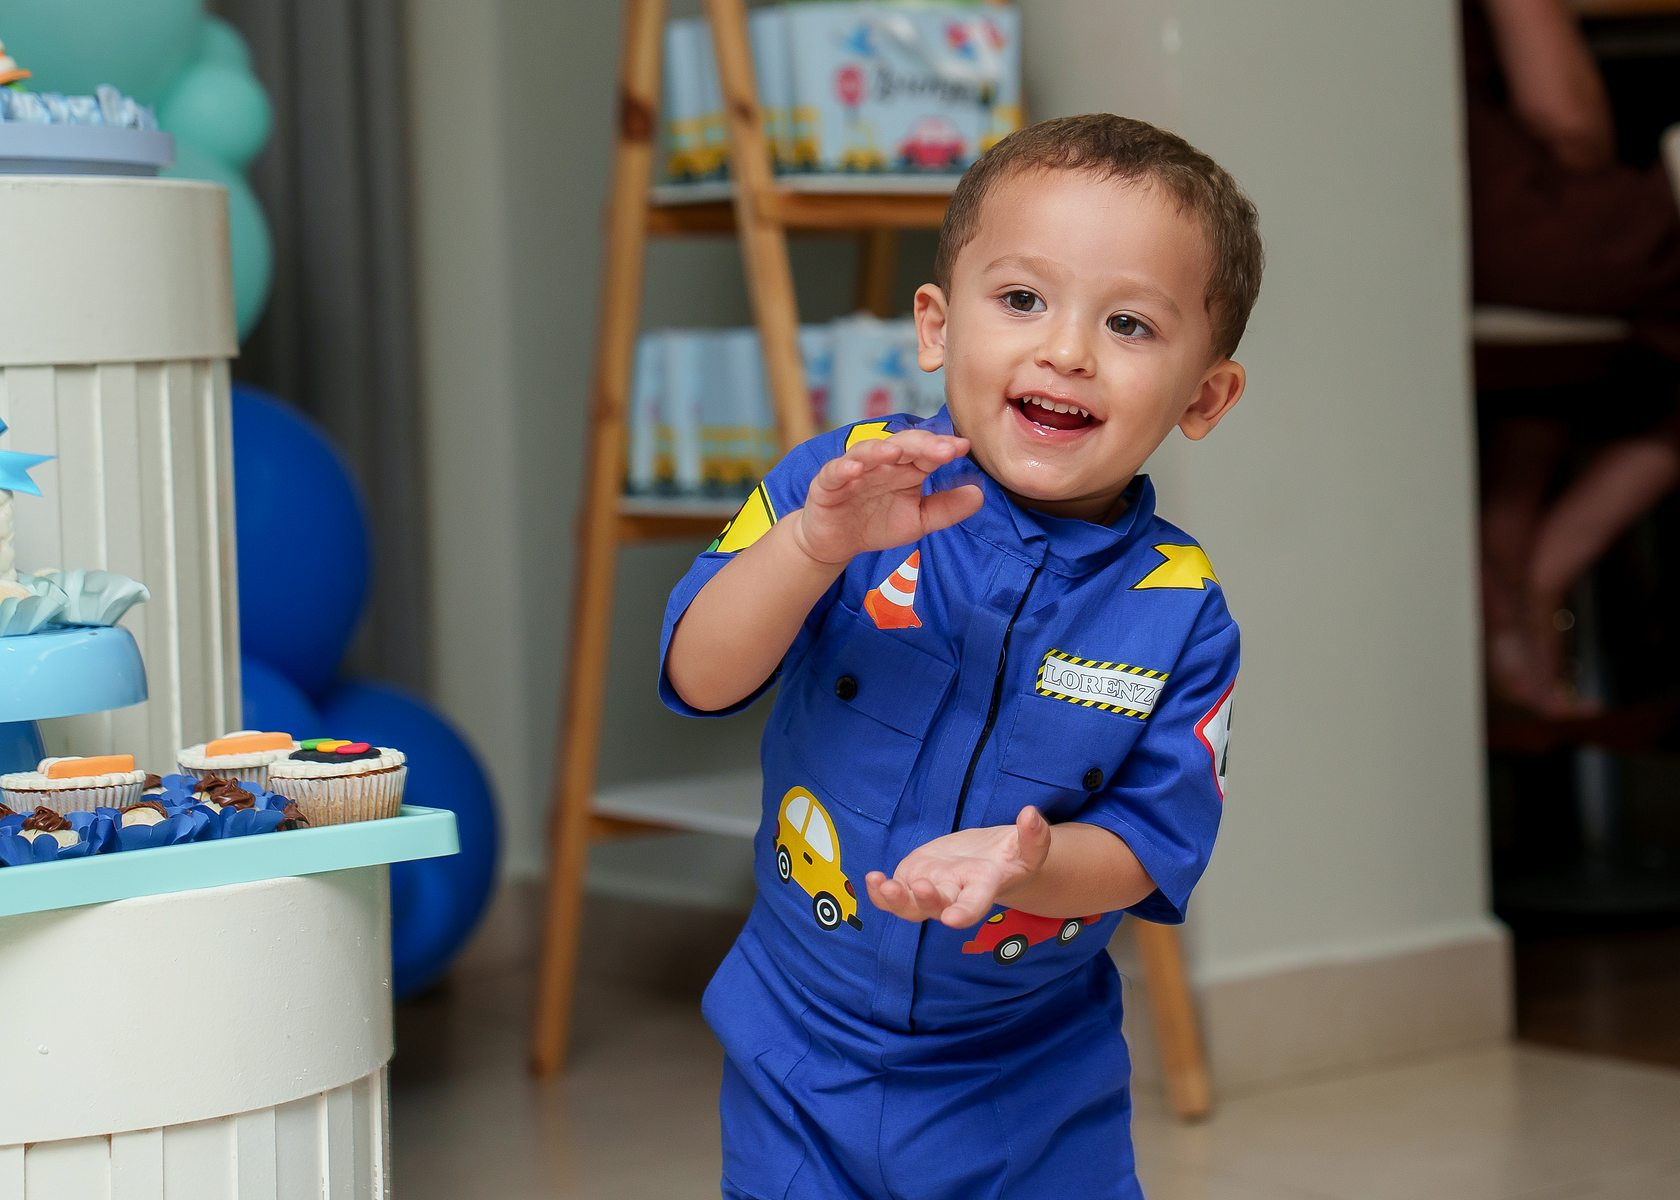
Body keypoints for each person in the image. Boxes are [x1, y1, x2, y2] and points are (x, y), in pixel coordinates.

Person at [659, 113, 1260, 1200]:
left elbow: (1152, 842)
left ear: (1204, 396)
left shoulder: (1180, 609)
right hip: (798, 1047)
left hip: (1029, 1080)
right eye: (1023, 299)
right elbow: (701, 677)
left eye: (1129, 324)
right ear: (936, 326)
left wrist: (1032, 866)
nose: (1066, 351)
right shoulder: (842, 484)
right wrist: (811, 548)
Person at [1466, 0, 1680, 717]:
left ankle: (1506, 599)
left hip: (1385, 243)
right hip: (1497, 232)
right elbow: (1571, 125)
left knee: (1550, 371)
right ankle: (1545, 575)